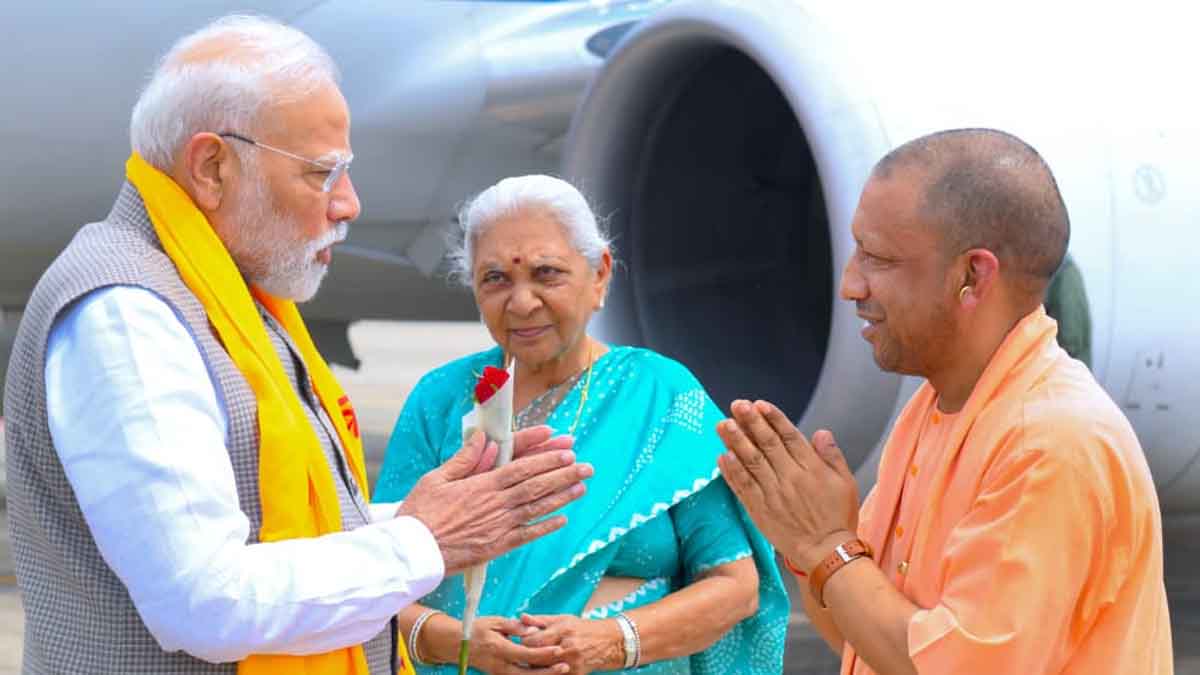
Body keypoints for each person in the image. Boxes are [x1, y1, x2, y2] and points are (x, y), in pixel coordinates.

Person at [3, 16, 592, 675]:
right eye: (322, 174)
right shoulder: (129, 318)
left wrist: (436, 505)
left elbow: (266, 522)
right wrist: (423, 539)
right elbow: (205, 598)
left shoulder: (228, 293)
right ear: (212, 166)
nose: (349, 204)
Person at [716, 129, 1172, 674]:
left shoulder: (1049, 442)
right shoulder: (936, 410)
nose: (850, 285)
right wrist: (810, 545)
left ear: (971, 276)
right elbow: (867, 645)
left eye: (877, 258)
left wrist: (826, 545)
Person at [374, 175, 790, 674]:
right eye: (496, 279)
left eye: (547, 274)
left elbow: (735, 586)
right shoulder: (441, 400)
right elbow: (378, 576)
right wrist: (459, 641)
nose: (522, 302)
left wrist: (612, 642)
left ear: (600, 276)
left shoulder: (660, 394)